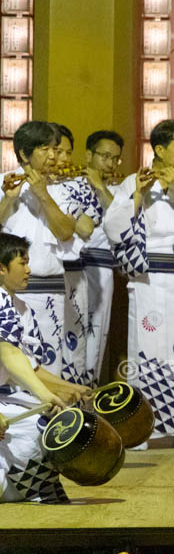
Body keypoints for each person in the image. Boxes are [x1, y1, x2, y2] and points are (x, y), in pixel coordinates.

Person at [103, 120, 174, 450]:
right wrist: (138, 194)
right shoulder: (131, 183)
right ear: (160, 150)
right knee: (147, 353)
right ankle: (143, 431)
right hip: (147, 279)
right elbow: (113, 227)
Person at [0, 232, 89, 503]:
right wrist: (44, 396)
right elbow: (7, 351)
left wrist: (71, 390)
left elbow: (30, 368)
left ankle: (25, 489)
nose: (29, 270)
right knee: (40, 424)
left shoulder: (20, 308)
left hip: (5, 395)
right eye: (22, 263)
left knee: (54, 419)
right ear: (1, 268)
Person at [0, 122, 82, 381]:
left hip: (52, 292)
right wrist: (9, 198)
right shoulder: (3, 182)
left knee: (49, 366)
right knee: (13, 370)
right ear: (24, 154)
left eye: (54, 149)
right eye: (45, 149)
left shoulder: (65, 187)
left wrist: (43, 195)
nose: (53, 156)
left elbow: (66, 232)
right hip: (10, 292)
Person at [51, 124, 101, 386]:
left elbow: (86, 227)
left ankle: (74, 413)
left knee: (74, 345)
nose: (63, 159)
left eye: (68, 152)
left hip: (74, 275)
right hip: (36, 278)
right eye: (57, 151)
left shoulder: (80, 184)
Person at [79, 130, 125, 385]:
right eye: (104, 156)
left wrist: (99, 187)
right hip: (70, 269)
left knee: (96, 334)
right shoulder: (70, 183)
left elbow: (121, 218)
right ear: (89, 155)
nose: (110, 163)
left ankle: (88, 392)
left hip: (102, 268)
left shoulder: (120, 189)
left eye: (115, 158)